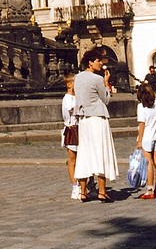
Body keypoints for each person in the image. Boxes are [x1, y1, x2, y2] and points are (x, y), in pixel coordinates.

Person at [74, 47, 119, 202]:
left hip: (84, 119)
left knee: (85, 153)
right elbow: (105, 100)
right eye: (98, 61)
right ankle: (101, 190)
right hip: (97, 118)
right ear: (90, 62)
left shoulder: (77, 78)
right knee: (101, 152)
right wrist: (106, 84)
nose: (101, 63)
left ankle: (83, 191)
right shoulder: (97, 79)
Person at [136, 80, 156, 199]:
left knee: (149, 163)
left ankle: (150, 189)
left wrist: (139, 140)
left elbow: (141, 125)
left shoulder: (140, 107)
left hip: (146, 138)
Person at [62, 73, 80, 200]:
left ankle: (85, 183)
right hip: (71, 128)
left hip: (80, 128)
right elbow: (71, 109)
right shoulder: (67, 98)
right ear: (69, 84)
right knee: (72, 160)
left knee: (82, 159)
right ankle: (75, 185)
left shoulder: (77, 97)